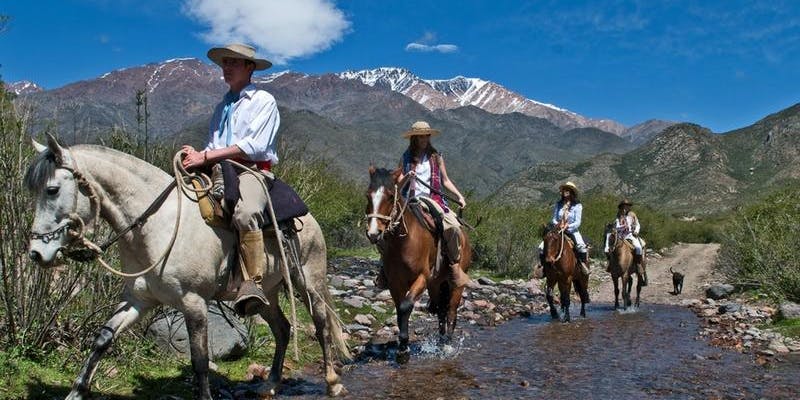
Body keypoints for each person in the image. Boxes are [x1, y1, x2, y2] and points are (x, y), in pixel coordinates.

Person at [181, 43, 279, 316]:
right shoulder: (221, 107)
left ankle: (252, 283)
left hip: (251, 170)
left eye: (233, 63)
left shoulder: (263, 101)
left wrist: (207, 155)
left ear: (250, 68)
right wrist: (198, 155)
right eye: (225, 63)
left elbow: (254, 145)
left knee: (246, 212)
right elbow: (214, 144)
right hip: (218, 169)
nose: (226, 68)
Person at [375, 121, 470, 288]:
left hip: (432, 199)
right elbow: (398, 183)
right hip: (408, 199)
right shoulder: (405, 157)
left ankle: (454, 266)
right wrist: (407, 176)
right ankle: (385, 268)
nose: (424, 139)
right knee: (384, 231)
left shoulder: (436, 156)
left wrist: (459, 196)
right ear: (414, 138)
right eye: (421, 136)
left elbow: (445, 180)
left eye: (426, 135)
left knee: (453, 228)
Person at [535, 182, 590, 277]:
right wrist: (558, 225)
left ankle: (582, 265)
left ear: (572, 192)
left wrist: (568, 226)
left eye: (568, 190)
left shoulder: (578, 206)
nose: (565, 191)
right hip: (558, 230)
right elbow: (554, 219)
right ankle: (544, 267)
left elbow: (578, 222)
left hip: (572, 230)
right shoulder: (558, 204)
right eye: (564, 189)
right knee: (541, 247)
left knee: (581, 246)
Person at [604, 199, 647, 286]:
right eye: (624, 205)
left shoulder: (632, 215)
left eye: (627, 205)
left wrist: (636, 231)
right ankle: (610, 265)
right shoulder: (619, 216)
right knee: (610, 248)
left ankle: (638, 265)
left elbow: (638, 224)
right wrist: (619, 227)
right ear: (621, 207)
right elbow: (616, 226)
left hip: (630, 235)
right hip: (620, 236)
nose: (626, 207)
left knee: (638, 247)